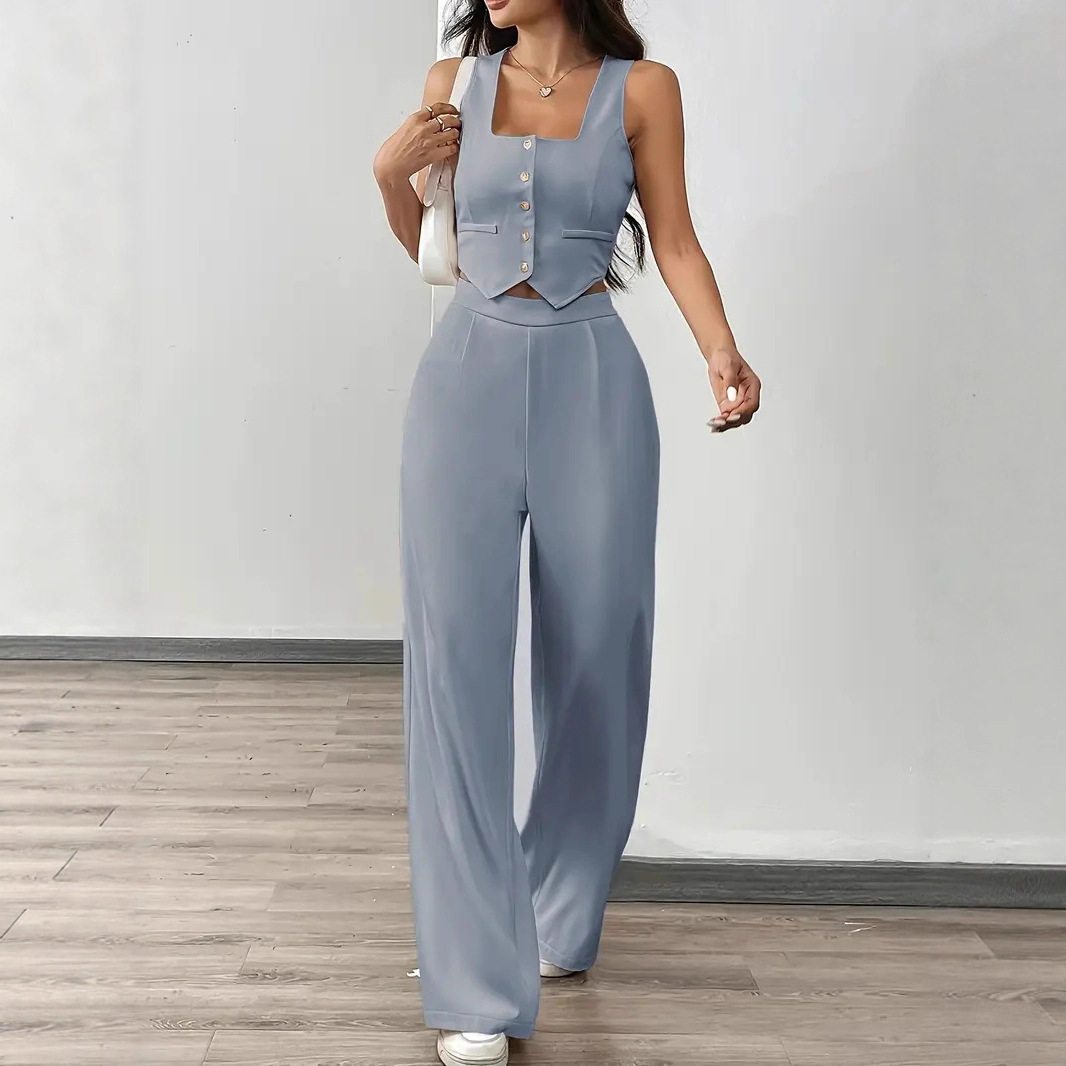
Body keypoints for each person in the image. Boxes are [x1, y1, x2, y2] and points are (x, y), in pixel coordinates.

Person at [373, 1, 761, 1062]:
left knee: (600, 657)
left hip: (594, 380)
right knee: (455, 679)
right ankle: (473, 984)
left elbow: (673, 240)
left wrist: (720, 350)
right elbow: (435, 250)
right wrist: (388, 177)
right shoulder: (452, 86)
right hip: (464, 384)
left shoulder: (645, 91)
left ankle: (553, 904)